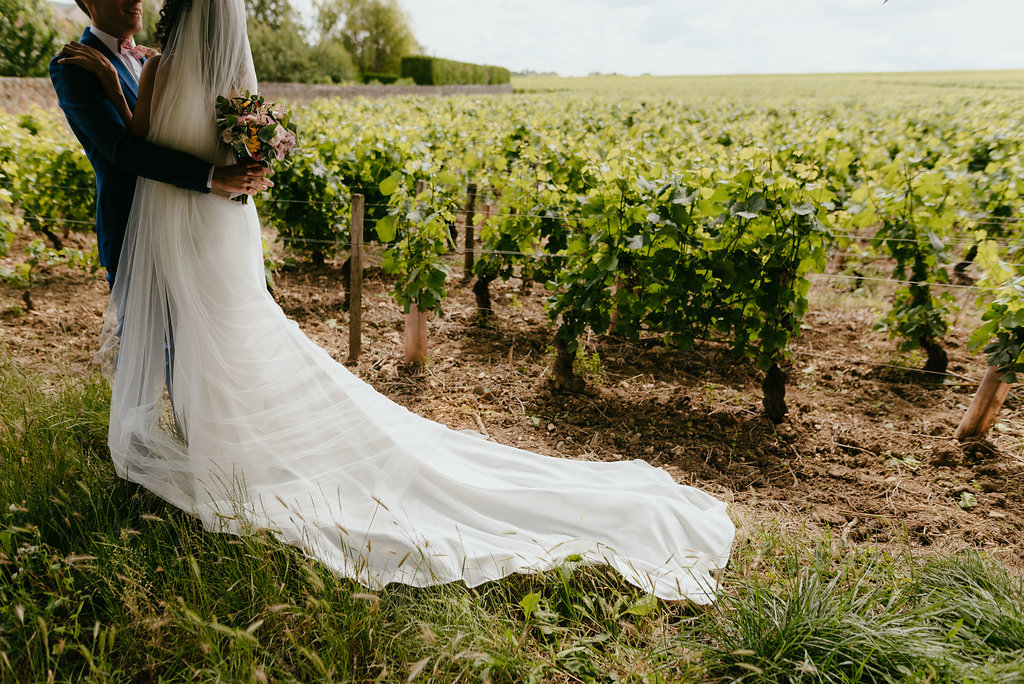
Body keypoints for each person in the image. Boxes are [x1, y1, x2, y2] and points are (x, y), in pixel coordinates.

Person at [86, 0, 735, 602]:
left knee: (206, 337)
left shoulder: (160, 70)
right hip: (226, 222)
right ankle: (231, 448)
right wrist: (244, 170)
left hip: (181, 223)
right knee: (234, 330)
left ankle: (223, 455)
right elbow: (259, 153)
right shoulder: (233, 78)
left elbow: (136, 152)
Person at [49, 0, 273, 287]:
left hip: (202, 230)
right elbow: (123, 151)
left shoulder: (157, 62)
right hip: (135, 230)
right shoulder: (74, 65)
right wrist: (214, 176)